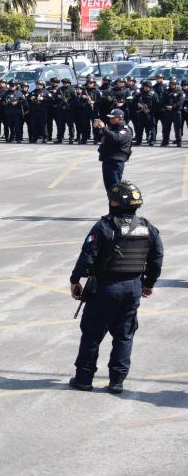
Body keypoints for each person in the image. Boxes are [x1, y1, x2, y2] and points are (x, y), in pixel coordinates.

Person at [69, 181, 163, 393]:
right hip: (133, 288)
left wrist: (75, 280)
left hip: (104, 287)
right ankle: (117, 381)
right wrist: (149, 284)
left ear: (114, 202)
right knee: (124, 335)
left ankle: (84, 379)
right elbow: (157, 259)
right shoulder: (148, 227)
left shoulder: (104, 227)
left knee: (92, 334)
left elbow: (87, 257)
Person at [92, 109, 132, 193]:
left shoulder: (126, 129)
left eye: (113, 118)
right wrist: (96, 128)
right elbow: (99, 138)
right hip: (107, 159)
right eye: (110, 118)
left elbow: (117, 139)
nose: (110, 119)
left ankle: (118, 205)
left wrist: (104, 128)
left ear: (120, 118)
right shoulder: (110, 128)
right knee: (109, 189)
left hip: (116, 161)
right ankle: (112, 204)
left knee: (115, 187)